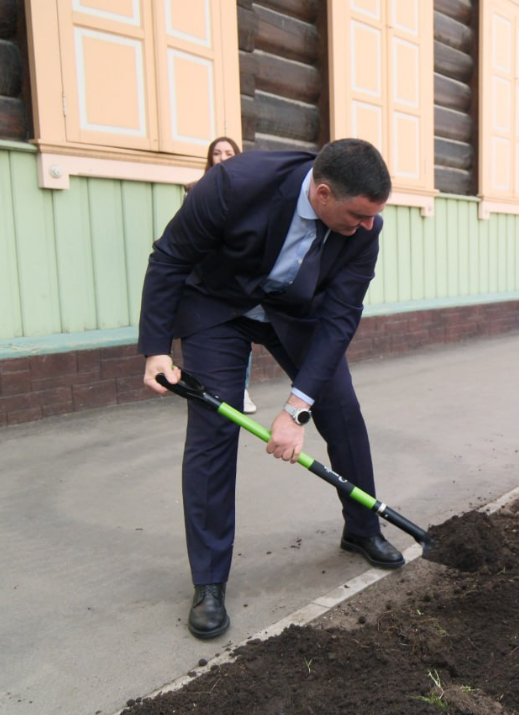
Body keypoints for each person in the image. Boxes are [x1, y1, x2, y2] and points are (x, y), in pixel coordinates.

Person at [140, 138, 402, 640]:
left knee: (341, 409)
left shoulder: (366, 224)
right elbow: (170, 256)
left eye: (373, 216)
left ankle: (363, 527)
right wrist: (156, 348)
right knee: (213, 432)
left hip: (296, 313)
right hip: (218, 307)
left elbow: (341, 314)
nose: (367, 226)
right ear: (322, 194)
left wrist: (296, 408)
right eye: (358, 215)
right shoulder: (235, 184)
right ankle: (209, 581)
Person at [185, 136, 258, 414]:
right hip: (205, 278)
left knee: (241, 336)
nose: (223, 157)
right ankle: (209, 392)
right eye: (217, 153)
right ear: (210, 158)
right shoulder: (196, 191)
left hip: (236, 277)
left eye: (229, 152)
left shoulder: (249, 190)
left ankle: (242, 389)